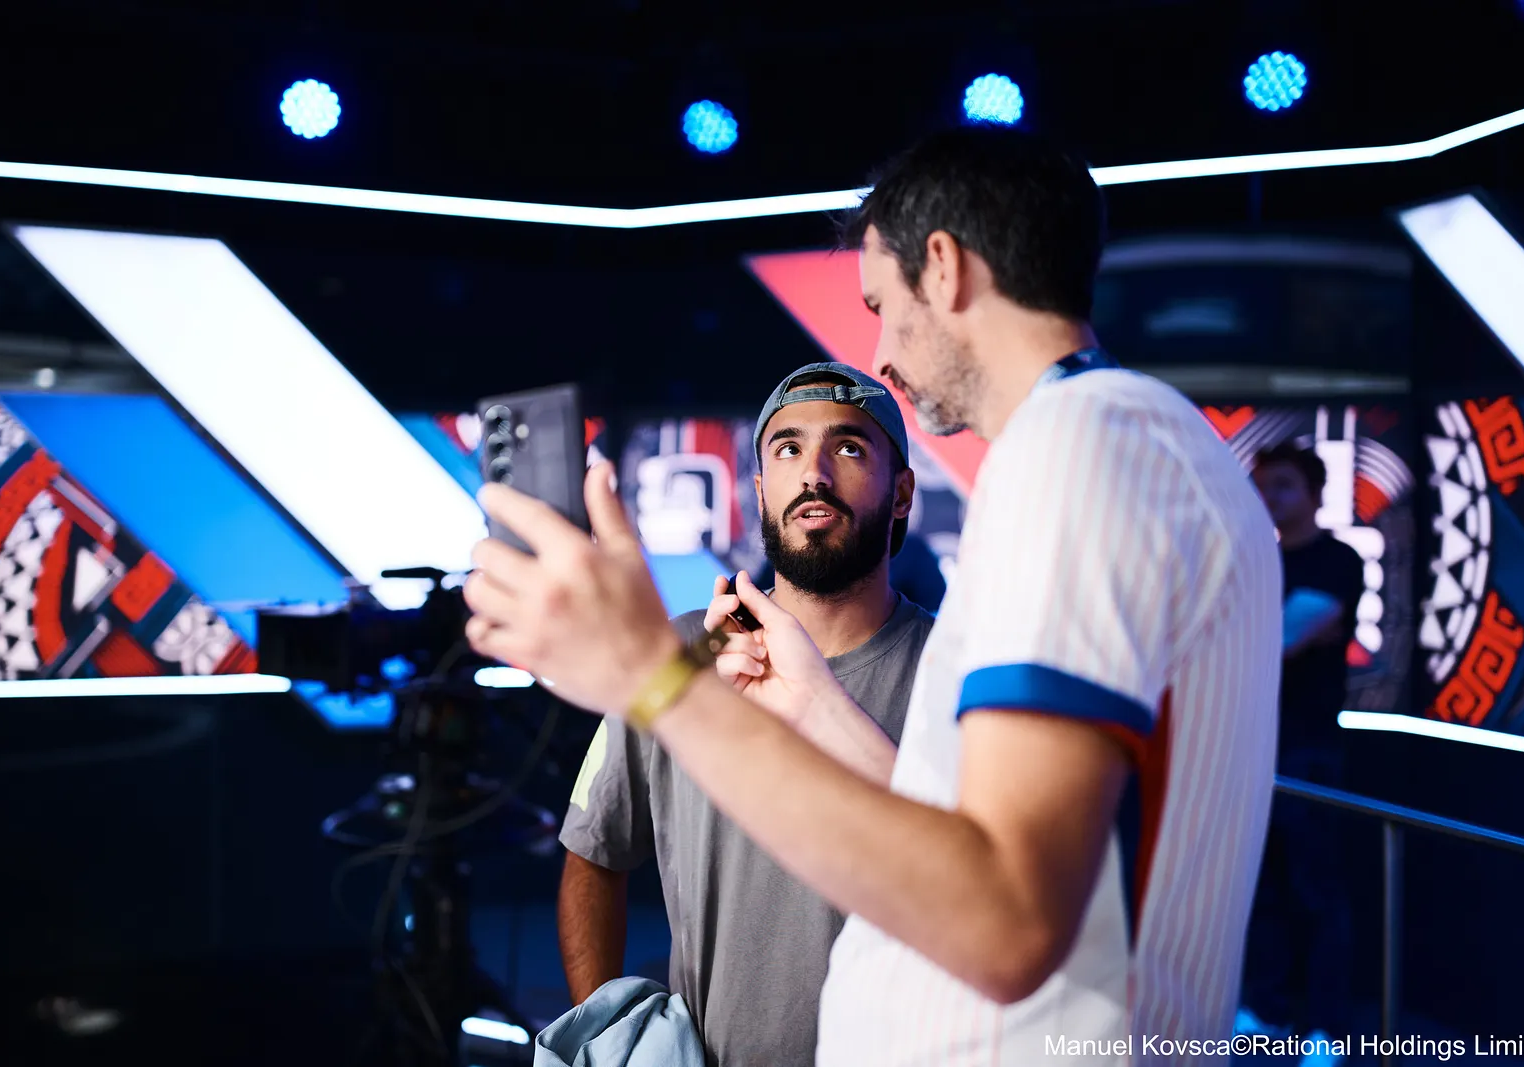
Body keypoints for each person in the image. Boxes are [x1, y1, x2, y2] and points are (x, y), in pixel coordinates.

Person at [464, 125, 1282, 1063]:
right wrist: (810, 698)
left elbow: (1006, 922)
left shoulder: (1074, 452)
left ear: (945, 268)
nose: (883, 353)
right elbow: (986, 840)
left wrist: (657, 680)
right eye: (787, 449)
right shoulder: (1143, 442)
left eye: (882, 305)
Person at [556, 362, 936, 1067]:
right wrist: (608, 1043)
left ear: (903, 492)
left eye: (849, 447)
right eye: (788, 449)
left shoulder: (953, 672)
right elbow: (593, 852)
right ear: (760, 490)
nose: (814, 473)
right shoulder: (681, 657)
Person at [1241, 442, 1364, 1045]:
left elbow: (1279, 640)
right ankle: (1268, 1011)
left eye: (1283, 484)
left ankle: (1326, 1031)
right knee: (1259, 883)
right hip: (1250, 749)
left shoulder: (1337, 560)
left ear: (1315, 493)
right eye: (1263, 484)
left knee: (1317, 889)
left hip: (1309, 750)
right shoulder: (1252, 561)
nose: (1269, 496)